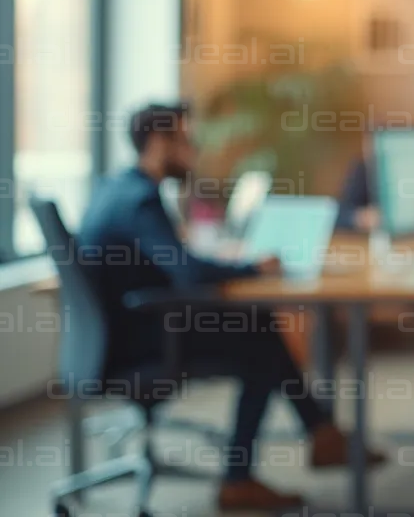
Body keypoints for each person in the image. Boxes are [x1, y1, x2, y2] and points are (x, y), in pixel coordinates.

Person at [76, 103, 383, 512]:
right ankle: (262, 466)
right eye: (187, 141)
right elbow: (187, 273)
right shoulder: (142, 200)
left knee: (255, 325)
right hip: (144, 341)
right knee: (258, 336)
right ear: (158, 143)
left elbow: (169, 263)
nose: (194, 151)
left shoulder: (115, 188)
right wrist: (253, 266)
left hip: (110, 338)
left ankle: (318, 434)